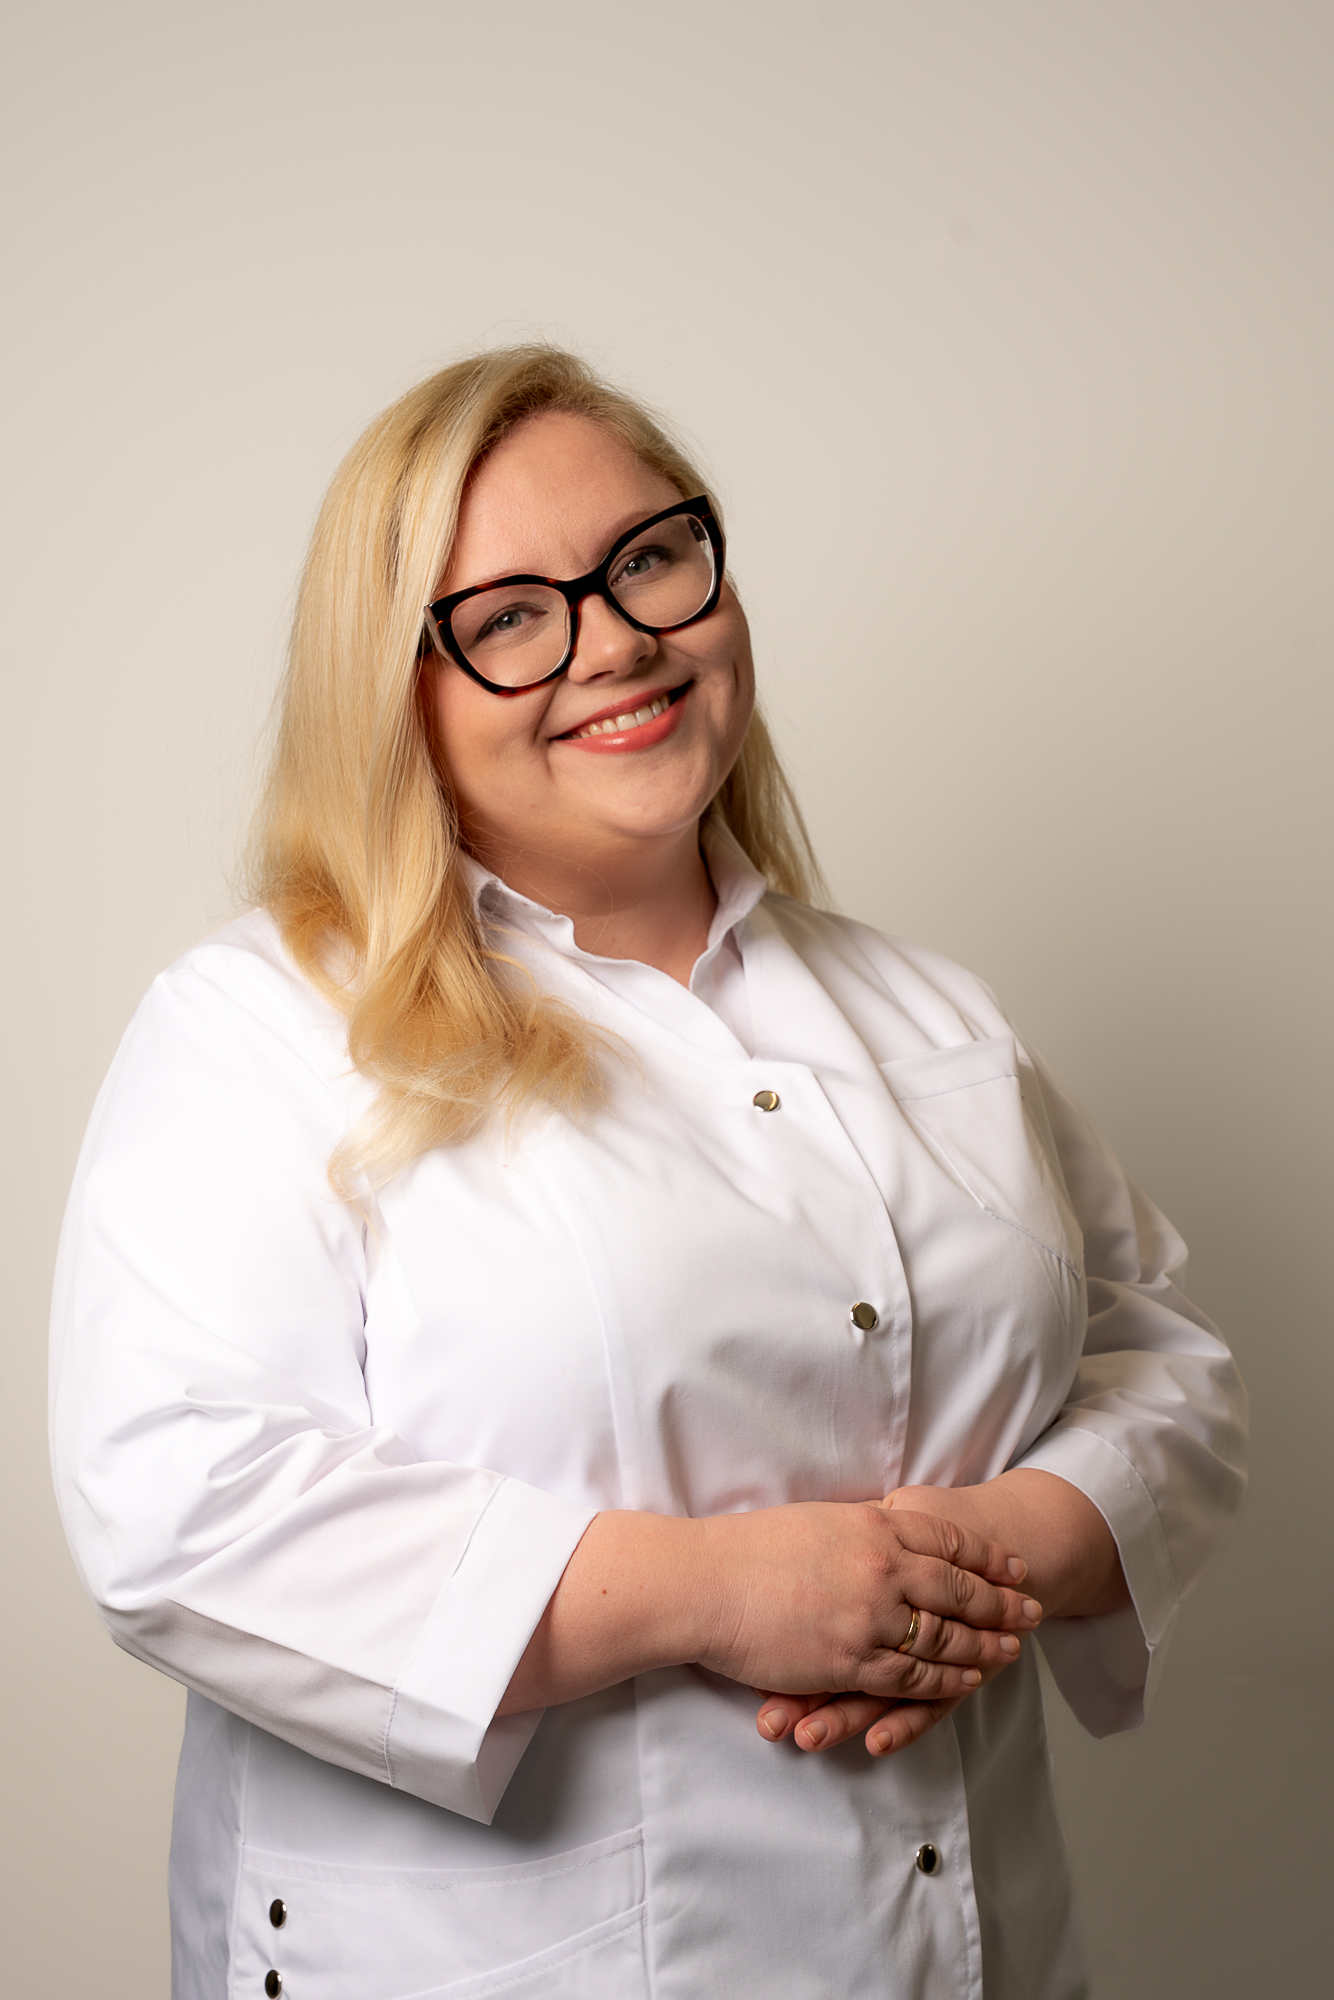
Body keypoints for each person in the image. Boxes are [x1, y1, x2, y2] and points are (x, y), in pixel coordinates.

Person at [51, 346, 1248, 2000]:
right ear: (394, 686)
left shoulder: (930, 1011)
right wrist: (714, 1594)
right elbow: (178, 1504)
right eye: (510, 616)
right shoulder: (260, 1026)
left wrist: (997, 1547)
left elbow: (1159, 1360)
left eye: (648, 560)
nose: (615, 639)